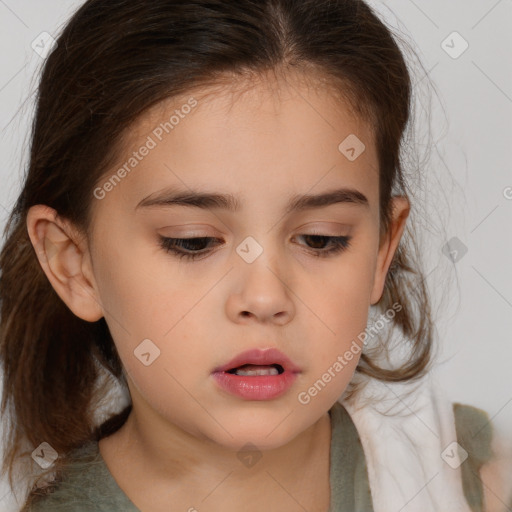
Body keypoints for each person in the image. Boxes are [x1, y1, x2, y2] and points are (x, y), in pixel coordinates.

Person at [0, 1, 510, 511]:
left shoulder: (471, 477)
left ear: (381, 249)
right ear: (74, 263)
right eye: (193, 241)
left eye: (320, 238)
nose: (265, 298)